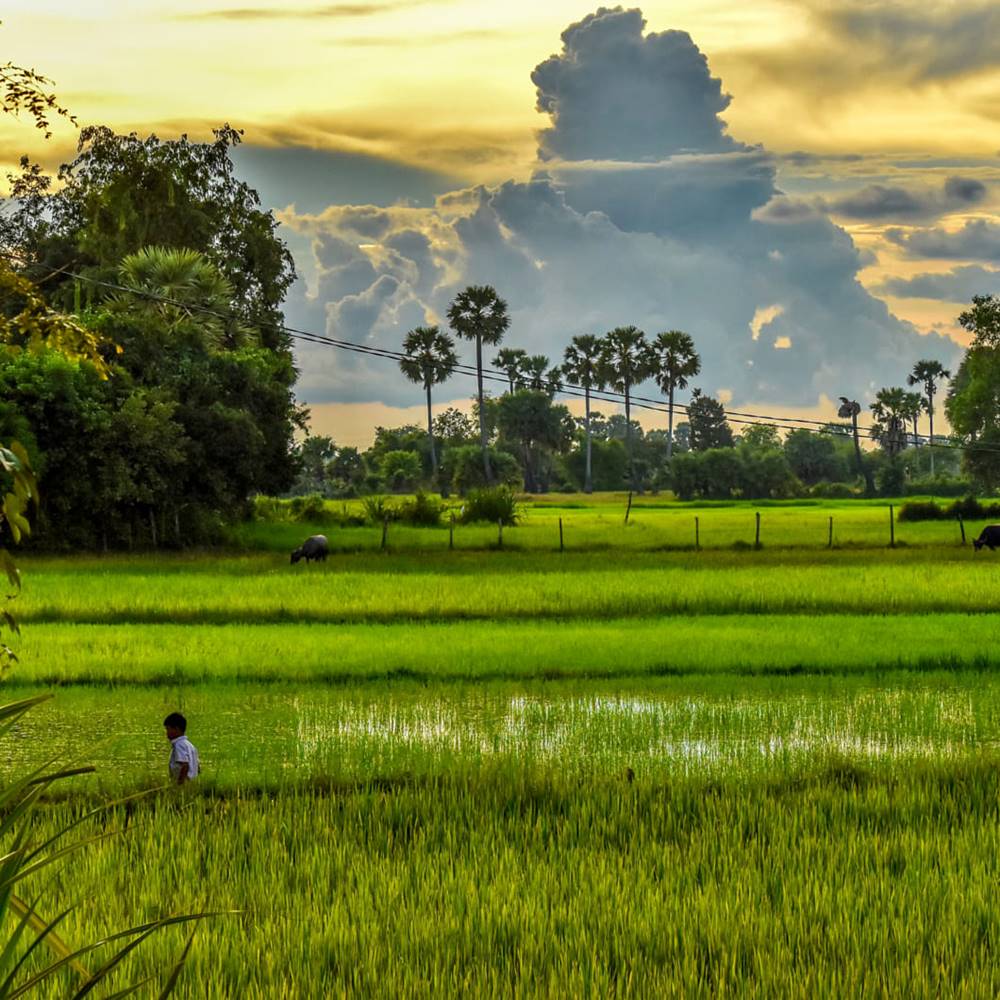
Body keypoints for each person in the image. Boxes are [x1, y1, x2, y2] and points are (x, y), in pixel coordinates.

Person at [164, 712, 199, 785]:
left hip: (184, 783)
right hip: (192, 783)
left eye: (168, 729)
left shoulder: (179, 745)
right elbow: (198, 767)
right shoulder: (189, 745)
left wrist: (179, 783)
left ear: (177, 729)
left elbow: (185, 765)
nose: (167, 733)